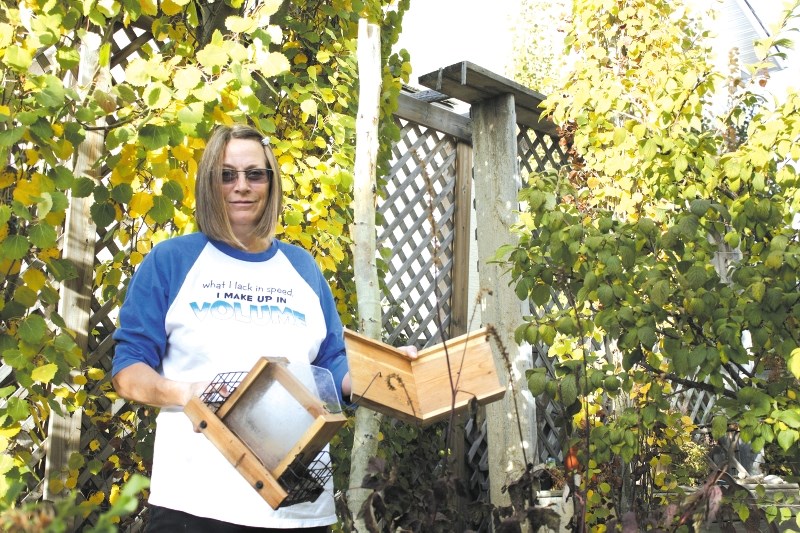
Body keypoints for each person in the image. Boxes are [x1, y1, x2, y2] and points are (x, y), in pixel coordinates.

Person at [112, 124, 354, 532]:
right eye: (227, 174)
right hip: (197, 505)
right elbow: (128, 370)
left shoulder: (303, 268)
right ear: (210, 183)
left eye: (254, 174)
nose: (241, 186)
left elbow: (333, 362)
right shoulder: (172, 260)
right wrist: (185, 394)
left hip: (296, 510)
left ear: (270, 183)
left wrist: (381, 377)